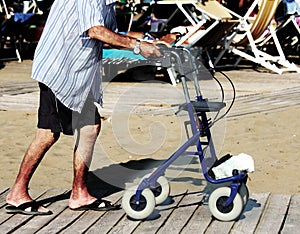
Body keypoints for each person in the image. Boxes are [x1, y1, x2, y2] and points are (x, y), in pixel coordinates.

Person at [5, 0, 166, 215]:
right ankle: (17, 193)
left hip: (80, 73)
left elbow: (110, 32)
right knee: (48, 133)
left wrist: (150, 40)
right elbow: (96, 31)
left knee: (90, 128)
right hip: (59, 70)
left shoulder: (107, 3)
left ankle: (79, 193)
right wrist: (137, 46)